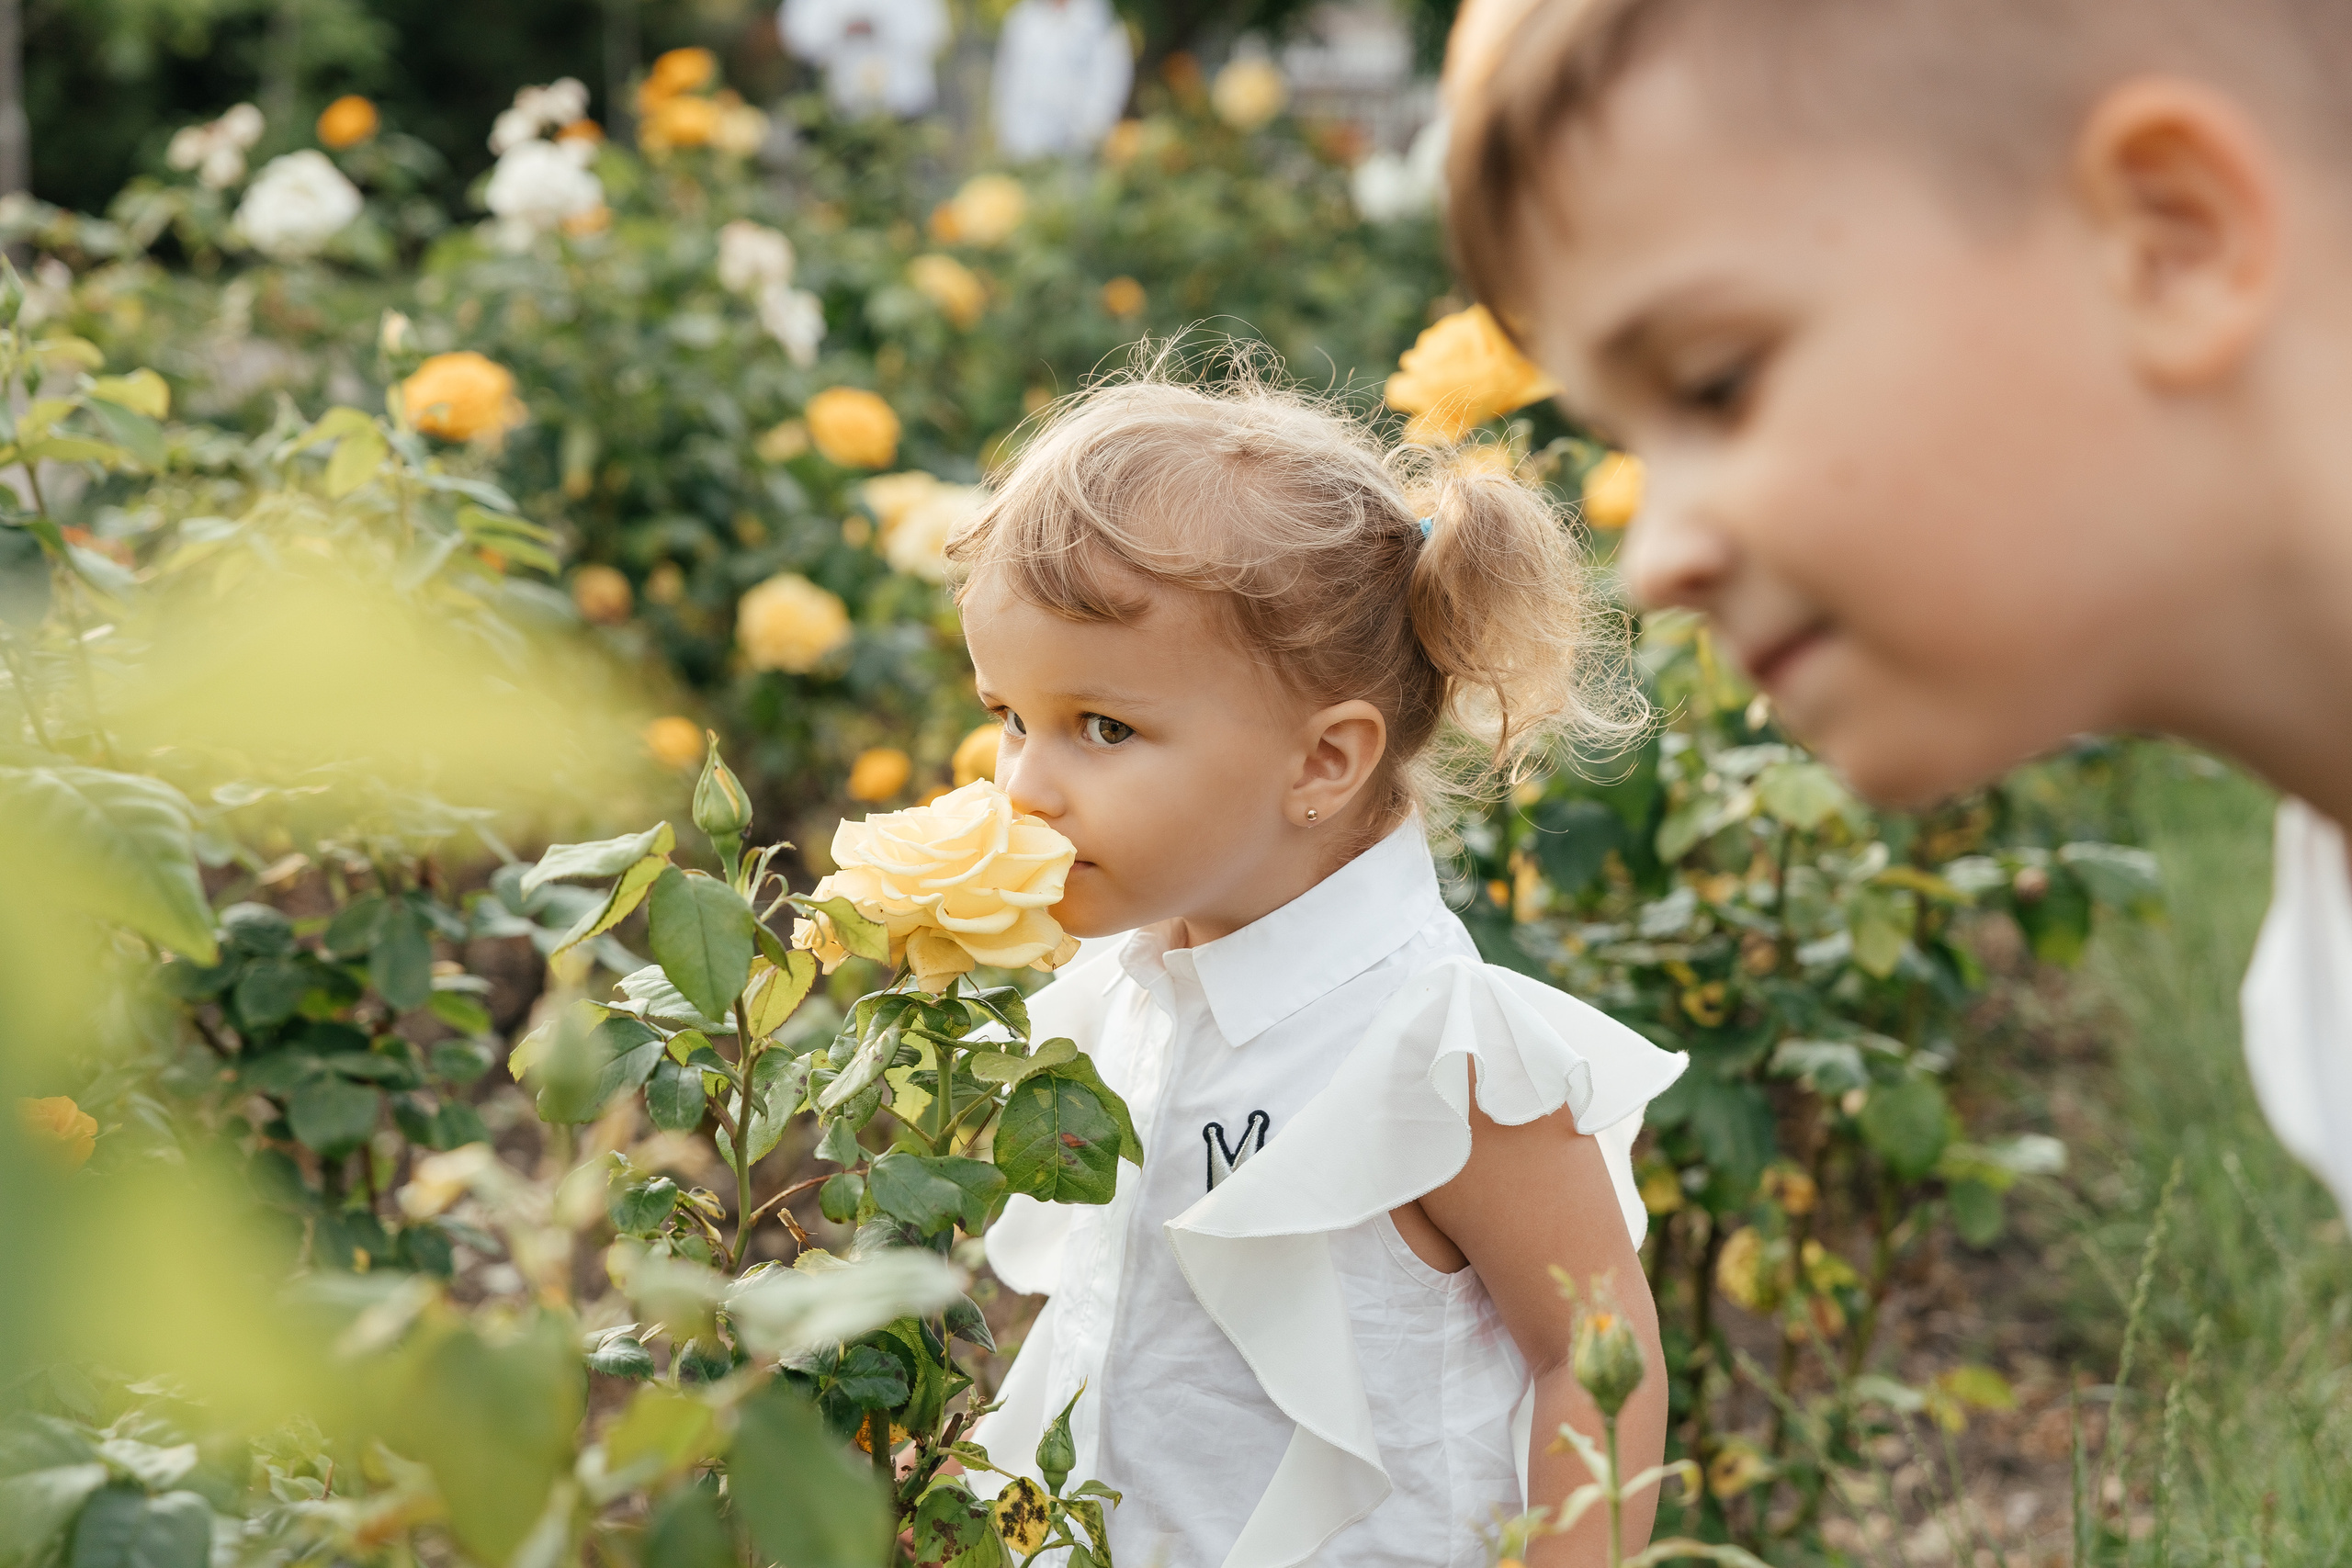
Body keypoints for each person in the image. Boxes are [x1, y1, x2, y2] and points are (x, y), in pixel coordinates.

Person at [1440, 0, 2352, 1221]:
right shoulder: (2315, 998)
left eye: (1717, 384)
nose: (1654, 560)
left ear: (2171, 239)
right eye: (1628, 444)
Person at [950, 360, 1688, 1567]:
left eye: (1104, 728)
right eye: (1007, 717)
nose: (1025, 784)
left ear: (1324, 764)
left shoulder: (1443, 1058)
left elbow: (1596, 1362)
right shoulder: (1122, 995)